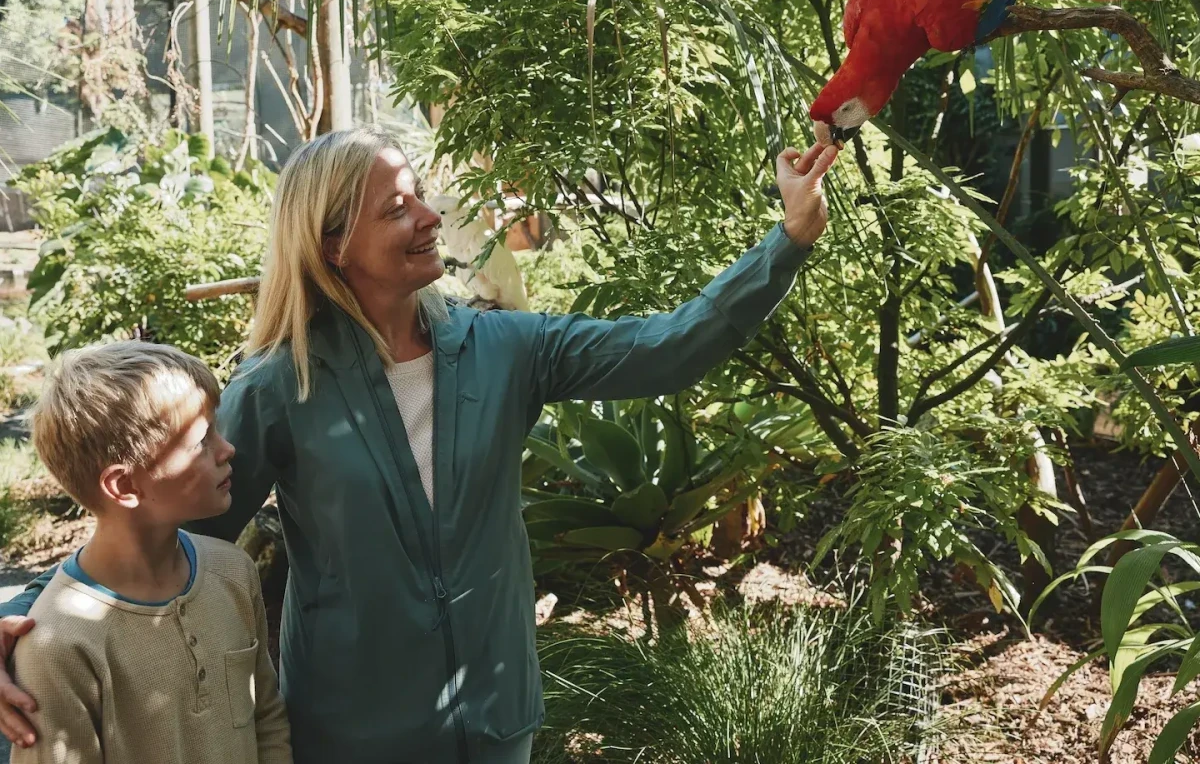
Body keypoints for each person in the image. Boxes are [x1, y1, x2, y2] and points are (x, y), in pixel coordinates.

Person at [0, 128, 840, 764]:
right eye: (395, 208)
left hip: (494, 712)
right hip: (352, 731)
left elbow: (669, 347)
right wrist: (20, 623)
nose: (430, 217)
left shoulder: (507, 349)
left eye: (420, 196)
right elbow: (152, 535)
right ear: (333, 246)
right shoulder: (279, 385)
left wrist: (789, 241)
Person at [7, 341, 291, 764]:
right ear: (123, 486)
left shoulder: (233, 571)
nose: (227, 449)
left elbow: (266, 718)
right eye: (200, 439)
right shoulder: (58, 646)